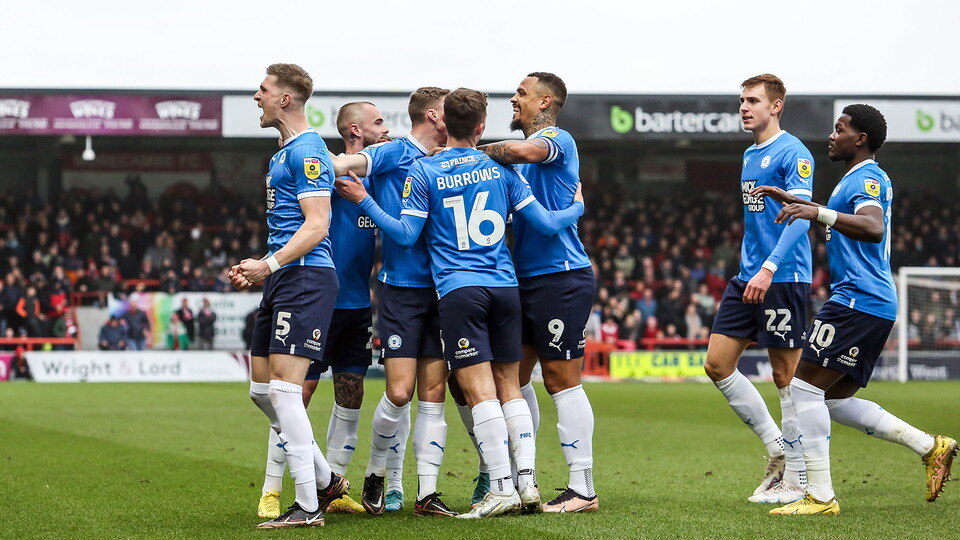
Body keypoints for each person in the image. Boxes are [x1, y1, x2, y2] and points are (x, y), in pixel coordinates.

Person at [337, 87, 584, 517]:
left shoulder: (431, 170)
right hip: (465, 286)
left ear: (446, 122)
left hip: (452, 289)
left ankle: (474, 487)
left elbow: (407, 232)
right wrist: (576, 209)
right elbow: (543, 221)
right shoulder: (485, 164)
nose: (384, 129)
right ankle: (519, 481)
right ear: (478, 126)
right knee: (462, 389)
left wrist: (364, 200)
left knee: (457, 391)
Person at [752, 104, 957, 515]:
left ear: (859, 138)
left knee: (803, 389)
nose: (832, 135)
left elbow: (873, 225)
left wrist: (817, 210)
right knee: (830, 399)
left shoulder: (868, 178)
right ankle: (929, 446)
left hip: (856, 300)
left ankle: (821, 497)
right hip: (867, 302)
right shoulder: (854, 178)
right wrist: (791, 199)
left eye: (839, 129)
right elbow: (841, 218)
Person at [256, 101, 389, 520]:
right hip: (316, 296)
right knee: (289, 393)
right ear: (354, 131)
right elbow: (308, 212)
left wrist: (367, 198)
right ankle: (273, 487)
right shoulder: (322, 170)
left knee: (350, 397)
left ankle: (331, 486)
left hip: (354, 307)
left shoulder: (377, 181)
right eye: (378, 123)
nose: (386, 130)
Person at [230, 63, 347, 529]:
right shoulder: (281, 153)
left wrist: (270, 264)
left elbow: (318, 226)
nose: (255, 97)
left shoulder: (309, 149)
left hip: (306, 278)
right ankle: (324, 477)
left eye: (262, 90)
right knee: (263, 391)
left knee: (284, 390)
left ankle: (308, 505)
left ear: (285, 99)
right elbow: (290, 228)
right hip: (283, 276)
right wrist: (260, 264)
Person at [328, 88, 455, 517]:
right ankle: (377, 472)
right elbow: (347, 163)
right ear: (436, 115)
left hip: (444, 286)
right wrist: (304, 158)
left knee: (434, 394)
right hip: (400, 286)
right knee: (399, 393)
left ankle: (428, 492)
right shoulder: (393, 152)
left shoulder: (453, 157)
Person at [478, 72, 599, 513]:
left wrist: (466, 149)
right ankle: (519, 474)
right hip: (522, 278)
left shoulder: (557, 140)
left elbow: (519, 148)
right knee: (510, 377)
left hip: (561, 276)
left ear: (546, 101)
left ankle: (582, 487)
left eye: (522, 94)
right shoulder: (519, 163)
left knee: (560, 379)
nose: (514, 99)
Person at [701, 74, 814, 505]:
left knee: (787, 377)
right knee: (716, 364)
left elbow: (801, 217)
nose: (744, 107)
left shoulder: (794, 152)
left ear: (776, 106)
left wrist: (768, 268)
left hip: (782, 277)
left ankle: (798, 480)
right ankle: (778, 449)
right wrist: (754, 269)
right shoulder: (749, 155)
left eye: (752, 100)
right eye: (741, 100)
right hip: (747, 276)